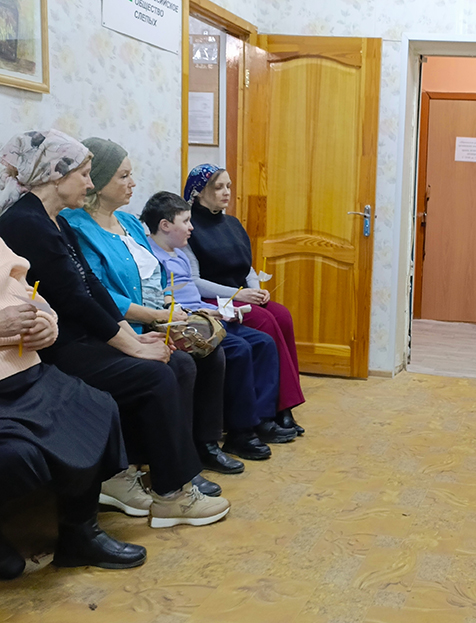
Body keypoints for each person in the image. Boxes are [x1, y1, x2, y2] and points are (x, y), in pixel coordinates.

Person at [0, 129, 229, 528]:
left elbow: (91, 286)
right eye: (84, 175)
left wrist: (131, 335)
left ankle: (147, 475)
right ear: (56, 175)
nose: (90, 184)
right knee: (154, 374)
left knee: (174, 363)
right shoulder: (25, 223)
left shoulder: (53, 221)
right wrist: (133, 346)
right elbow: (74, 299)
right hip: (58, 346)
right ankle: (170, 495)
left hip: (78, 335)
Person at [64, 138, 286, 460]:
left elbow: (159, 274)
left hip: (160, 315)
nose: (133, 183)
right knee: (188, 360)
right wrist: (156, 316)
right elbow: (98, 291)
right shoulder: (77, 227)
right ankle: (180, 454)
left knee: (215, 348)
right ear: (97, 181)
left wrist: (170, 305)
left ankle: (209, 442)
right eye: (123, 176)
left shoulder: (129, 223)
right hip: (124, 326)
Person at [0, 238, 145, 579]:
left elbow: (26, 291)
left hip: (26, 371)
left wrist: (45, 324)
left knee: (94, 407)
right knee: (17, 454)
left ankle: (80, 532)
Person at [142, 191, 288, 459]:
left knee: (263, 342)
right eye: (185, 221)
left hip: (204, 316)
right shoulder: (151, 257)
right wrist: (201, 312)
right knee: (239, 349)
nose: (191, 227)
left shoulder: (179, 254)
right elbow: (166, 302)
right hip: (186, 322)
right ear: (165, 225)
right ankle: (239, 432)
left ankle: (262, 419)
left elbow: (194, 295)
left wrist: (221, 310)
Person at [183, 164, 305, 434]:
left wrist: (256, 290)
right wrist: (239, 294)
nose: (226, 192)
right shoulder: (189, 227)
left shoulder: (233, 224)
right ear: (199, 192)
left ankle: (285, 403)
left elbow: (246, 267)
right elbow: (195, 281)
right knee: (264, 321)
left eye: (228, 186)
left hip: (241, 295)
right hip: (214, 300)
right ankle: (267, 411)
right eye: (218, 187)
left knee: (282, 315)